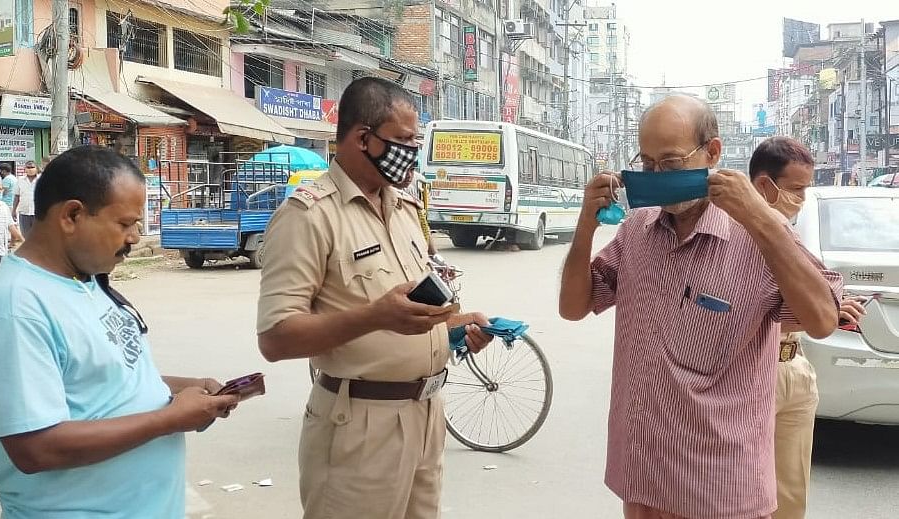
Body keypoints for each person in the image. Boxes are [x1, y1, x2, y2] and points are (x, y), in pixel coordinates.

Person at [558, 95, 843, 519]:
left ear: (712, 153)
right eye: (647, 164)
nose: (657, 176)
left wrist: (762, 219)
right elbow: (573, 306)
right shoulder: (638, 231)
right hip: (641, 474)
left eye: (670, 164)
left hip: (718, 488)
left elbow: (822, 320)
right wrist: (585, 224)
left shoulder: (757, 237)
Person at [257, 77, 494, 519]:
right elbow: (275, 338)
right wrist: (376, 316)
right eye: (404, 140)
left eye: (416, 140)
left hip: (425, 415)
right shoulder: (309, 217)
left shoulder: (405, 209)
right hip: (359, 425)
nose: (413, 152)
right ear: (363, 139)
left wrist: (455, 327)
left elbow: (411, 307)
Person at [0, 146, 239, 518]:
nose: (135, 238)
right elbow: (35, 447)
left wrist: (181, 389)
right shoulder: (17, 305)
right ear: (72, 215)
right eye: (125, 224)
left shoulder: (85, 280)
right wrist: (170, 419)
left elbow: (98, 380)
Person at [748, 136, 867, 519]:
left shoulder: (787, 235)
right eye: (795, 189)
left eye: (805, 189)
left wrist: (830, 307)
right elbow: (744, 308)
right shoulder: (734, 237)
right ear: (765, 186)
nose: (800, 198)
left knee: (790, 495)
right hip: (753, 372)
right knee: (744, 492)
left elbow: (819, 286)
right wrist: (822, 312)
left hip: (796, 369)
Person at [0, 173, 22, 270]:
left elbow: (11, 226)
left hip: (2, 249)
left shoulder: (4, 206)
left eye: (0, 189)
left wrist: (22, 240)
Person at [13, 161, 40, 237]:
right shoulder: (20, 180)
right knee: (26, 236)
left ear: (36, 169)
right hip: (24, 213)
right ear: (25, 169)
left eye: (32, 167)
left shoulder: (42, 179)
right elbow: (17, 196)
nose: (30, 169)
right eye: (28, 167)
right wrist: (14, 210)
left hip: (38, 213)